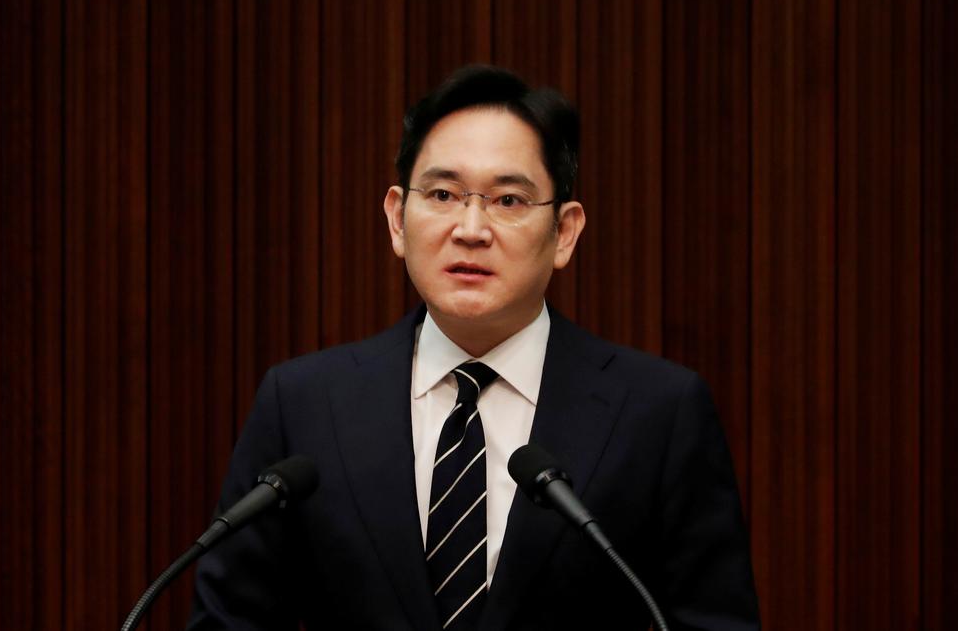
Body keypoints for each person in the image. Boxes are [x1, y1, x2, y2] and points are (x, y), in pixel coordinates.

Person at [189, 65, 760, 630]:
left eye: (508, 201)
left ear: (564, 232)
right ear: (397, 219)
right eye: (442, 194)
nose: (470, 229)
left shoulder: (658, 413)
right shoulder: (303, 404)